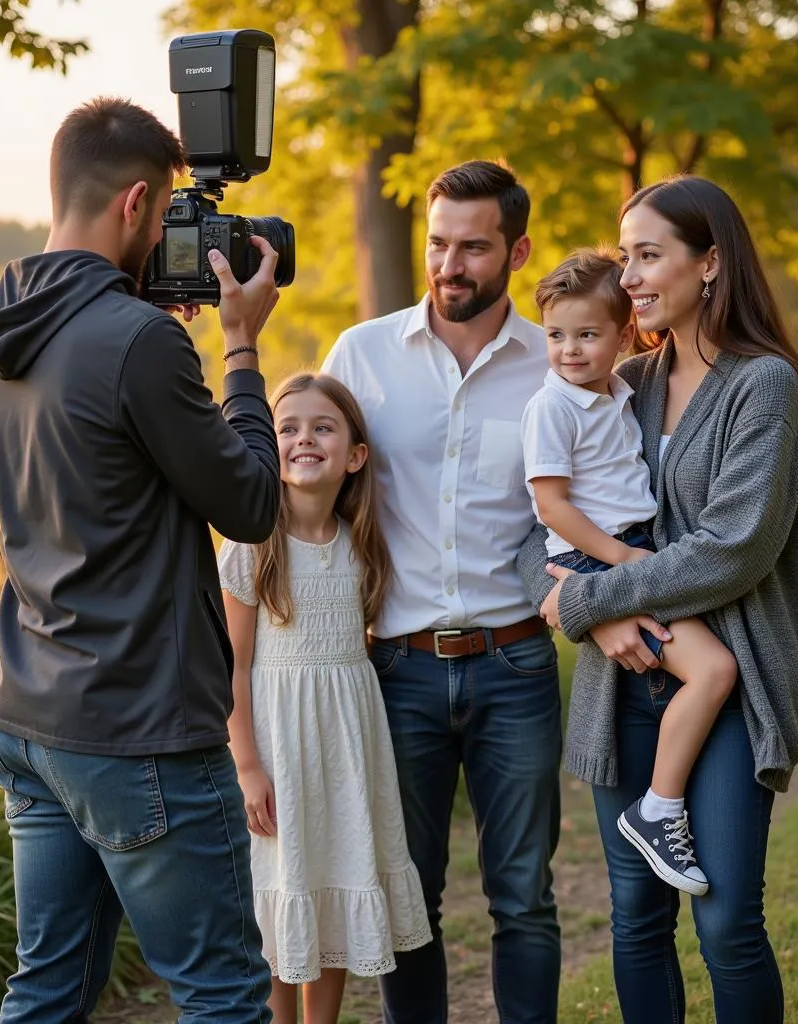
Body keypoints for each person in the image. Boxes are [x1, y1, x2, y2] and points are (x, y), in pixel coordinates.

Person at [0, 97, 282, 1023]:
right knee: (223, 995)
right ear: (138, 201)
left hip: (29, 714)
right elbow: (252, 505)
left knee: (49, 990)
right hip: (141, 727)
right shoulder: (142, 341)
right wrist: (241, 348)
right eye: (172, 210)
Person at [523, 175, 798, 1024]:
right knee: (636, 920)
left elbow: (732, 548)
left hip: (732, 681)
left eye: (648, 255)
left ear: (709, 263)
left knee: (729, 919)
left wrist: (595, 600)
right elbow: (537, 522)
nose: (627, 276)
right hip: (622, 686)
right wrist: (599, 609)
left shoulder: (760, 385)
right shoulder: (618, 380)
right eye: (623, 256)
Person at [322, 159, 562, 1024]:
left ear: (518, 250)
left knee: (525, 898)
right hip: (398, 672)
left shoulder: (553, 362)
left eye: (472, 248)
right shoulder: (362, 352)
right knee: (407, 900)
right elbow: (314, 487)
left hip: (518, 666)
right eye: (436, 244)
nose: (448, 265)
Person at [521, 247, 738, 897]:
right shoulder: (552, 407)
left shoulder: (621, 388)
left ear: (624, 336)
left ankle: (662, 804)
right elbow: (549, 505)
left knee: (707, 670)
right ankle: (659, 807)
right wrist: (619, 565)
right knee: (715, 669)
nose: (569, 351)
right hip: (596, 555)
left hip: (627, 546)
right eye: (556, 336)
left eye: (587, 335)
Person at [217, 372, 432, 1024]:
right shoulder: (253, 544)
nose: (303, 438)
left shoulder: (360, 544)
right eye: (288, 427)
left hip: (346, 746)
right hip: (278, 742)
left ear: (355, 455)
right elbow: (233, 665)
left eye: (322, 427)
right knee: (286, 886)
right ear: (268, 445)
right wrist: (247, 765)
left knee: (339, 874)